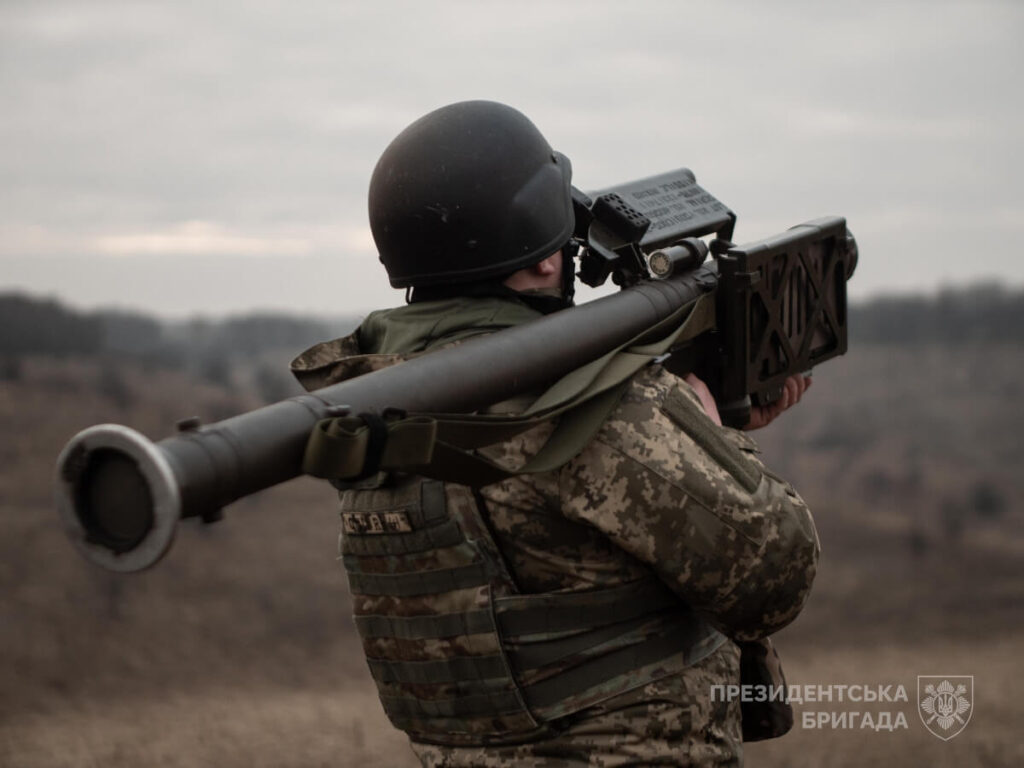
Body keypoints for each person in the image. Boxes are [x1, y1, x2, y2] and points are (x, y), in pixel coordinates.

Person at [290, 100, 818, 767]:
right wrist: (717, 436)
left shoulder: (378, 403)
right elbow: (777, 572)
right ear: (543, 263)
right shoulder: (584, 403)